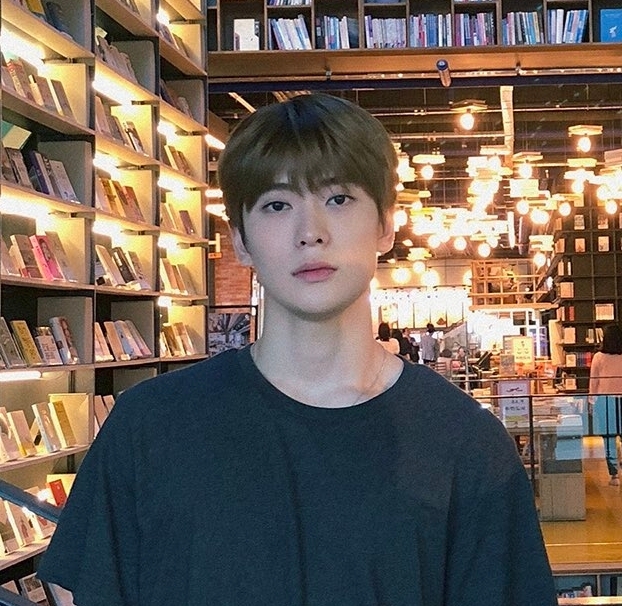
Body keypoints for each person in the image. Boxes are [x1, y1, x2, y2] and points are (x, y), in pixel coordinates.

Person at [37, 93, 557, 605]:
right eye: (278, 205)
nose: (311, 233)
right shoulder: (150, 427)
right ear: (240, 240)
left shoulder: (466, 445)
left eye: (338, 199)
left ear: (385, 224)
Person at [589, 323, 622, 486]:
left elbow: (594, 381)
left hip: (605, 401)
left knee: (609, 438)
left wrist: (591, 400)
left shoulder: (598, 357)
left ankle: (614, 475)